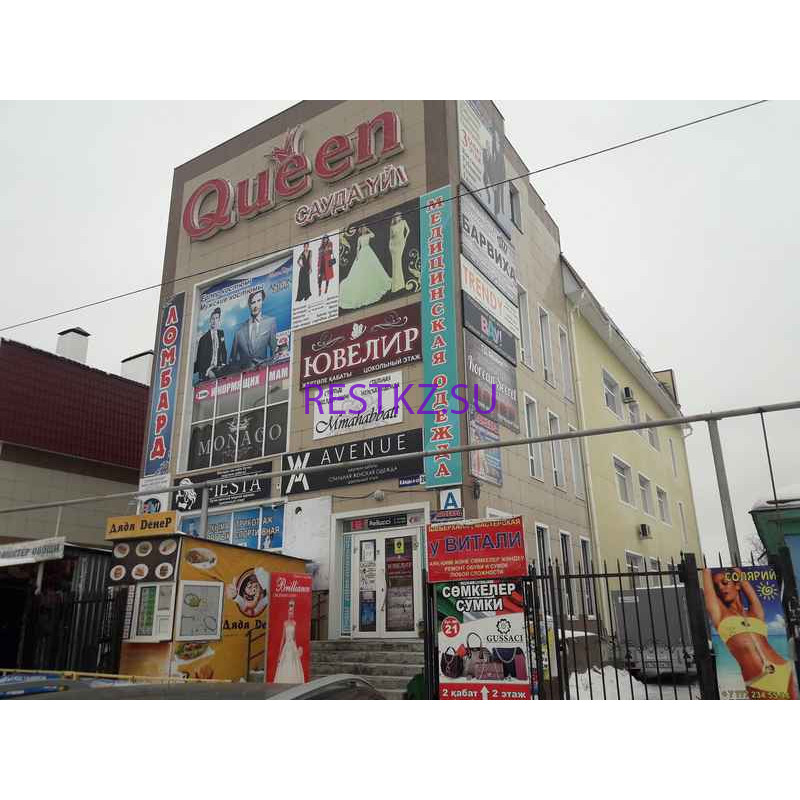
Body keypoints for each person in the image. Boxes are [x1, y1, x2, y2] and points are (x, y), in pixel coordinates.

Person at [703, 567, 799, 699]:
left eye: (725, 582)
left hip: (784, 670)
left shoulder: (755, 612)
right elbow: (706, 580)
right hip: (759, 679)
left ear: (737, 585)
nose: (720, 588)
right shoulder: (720, 615)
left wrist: (735, 571)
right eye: (716, 586)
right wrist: (706, 571)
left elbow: (743, 580)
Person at [338, 225, 391, 310]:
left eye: (364, 229)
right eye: (362, 229)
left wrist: (369, 230)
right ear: (361, 231)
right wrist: (357, 256)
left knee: (373, 267)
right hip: (362, 252)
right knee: (362, 270)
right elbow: (357, 247)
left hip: (368, 251)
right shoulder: (359, 238)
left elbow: (373, 235)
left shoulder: (368, 235)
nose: (364, 230)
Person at [230, 288, 278, 370]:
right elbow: (232, 360)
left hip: (264, 371)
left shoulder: (270, 322)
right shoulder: (239, 331)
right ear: (249, 305)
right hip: (245, 374)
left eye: (258, 301)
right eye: (253, 302)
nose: (256, 306)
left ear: (262, 301)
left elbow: (274, 352)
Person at [273, 599, 306, 683]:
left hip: (292, 646)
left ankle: (293, 680)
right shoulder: (285, 623)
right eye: (290, 612)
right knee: (285, 662)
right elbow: (282, 638)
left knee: (294, 662)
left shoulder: (295, 623)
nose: (291, 613)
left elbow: (295, 638)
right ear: (288, 613)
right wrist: (279, 654)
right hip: (286, 646)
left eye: (292, 612)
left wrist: (297, 650)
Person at [193, 307, 227, 381]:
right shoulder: (204, 339)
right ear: (210, 320)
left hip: (218, 367)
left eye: (217, 318)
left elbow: (223, 350)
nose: (214, 321)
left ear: (219, 320)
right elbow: (201, 360)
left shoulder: (221, 333)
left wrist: (223, 364)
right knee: (215, 379)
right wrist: (208, 371)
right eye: (212, 318)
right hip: (208, 370)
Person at [388, 211, 409, 293]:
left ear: (400, 217)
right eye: (395, 217)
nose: (396, 218)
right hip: (393, 245)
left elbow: (408, 230)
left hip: (400, 242)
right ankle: (396, 286)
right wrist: (390, 246)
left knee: (398, 261)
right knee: (394, 264)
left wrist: (405, 238)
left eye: (398, 216)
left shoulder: (403, 222)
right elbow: (390, 238)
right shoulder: (392, 227)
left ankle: (400, 284)